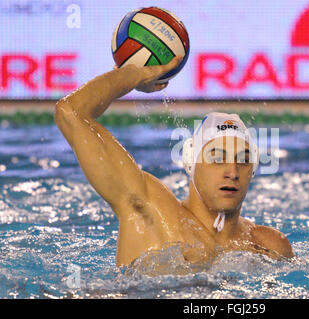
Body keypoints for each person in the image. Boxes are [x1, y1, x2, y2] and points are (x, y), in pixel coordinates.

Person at [54, 57, 294, 268]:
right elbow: (70, 112)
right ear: (191, 162)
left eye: (243, 160)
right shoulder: (151, 209)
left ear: (253, 170)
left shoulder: (270, 246)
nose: (232, 171)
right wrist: (135, 74)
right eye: (216, 157)